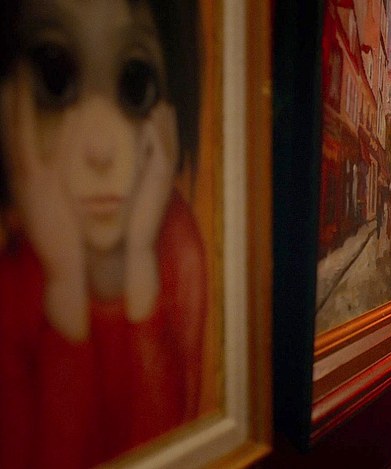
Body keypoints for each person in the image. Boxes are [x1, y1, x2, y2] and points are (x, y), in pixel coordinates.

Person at [0, 1, 207, 467]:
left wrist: (140, 263)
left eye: (135, 83)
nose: (101, 149)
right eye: (56, 82)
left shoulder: (178, 244)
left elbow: (173, 445)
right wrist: (64, 283)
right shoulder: (11, 284)